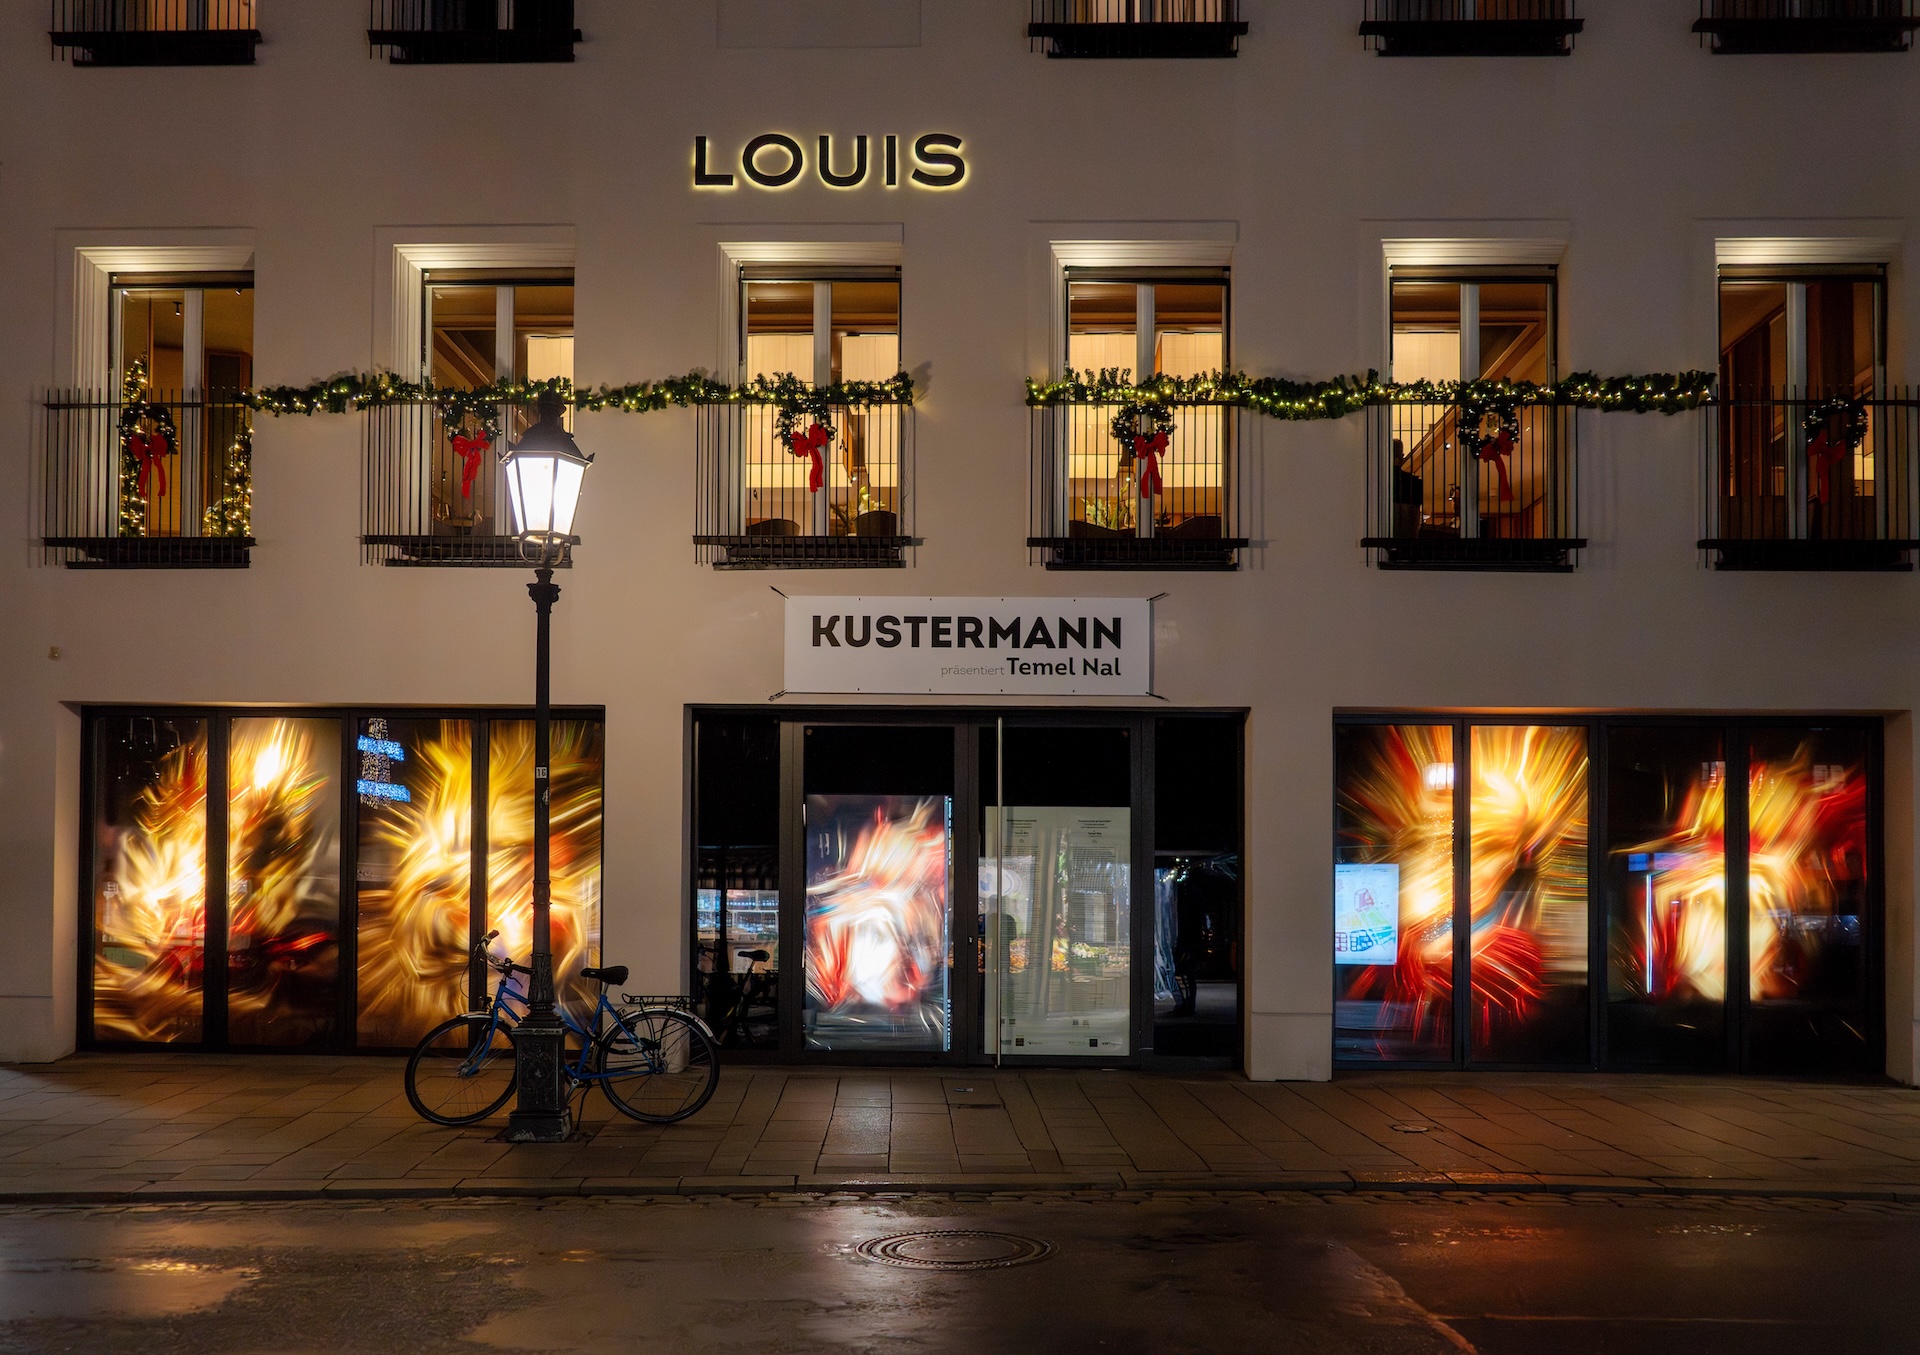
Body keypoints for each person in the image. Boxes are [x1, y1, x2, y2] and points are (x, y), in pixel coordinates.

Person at [1391, 438, 1424, 538]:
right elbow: (1414, 521)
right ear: (1402, 457)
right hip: (1407, 541)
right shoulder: (1413, 483)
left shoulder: (1378, 482)